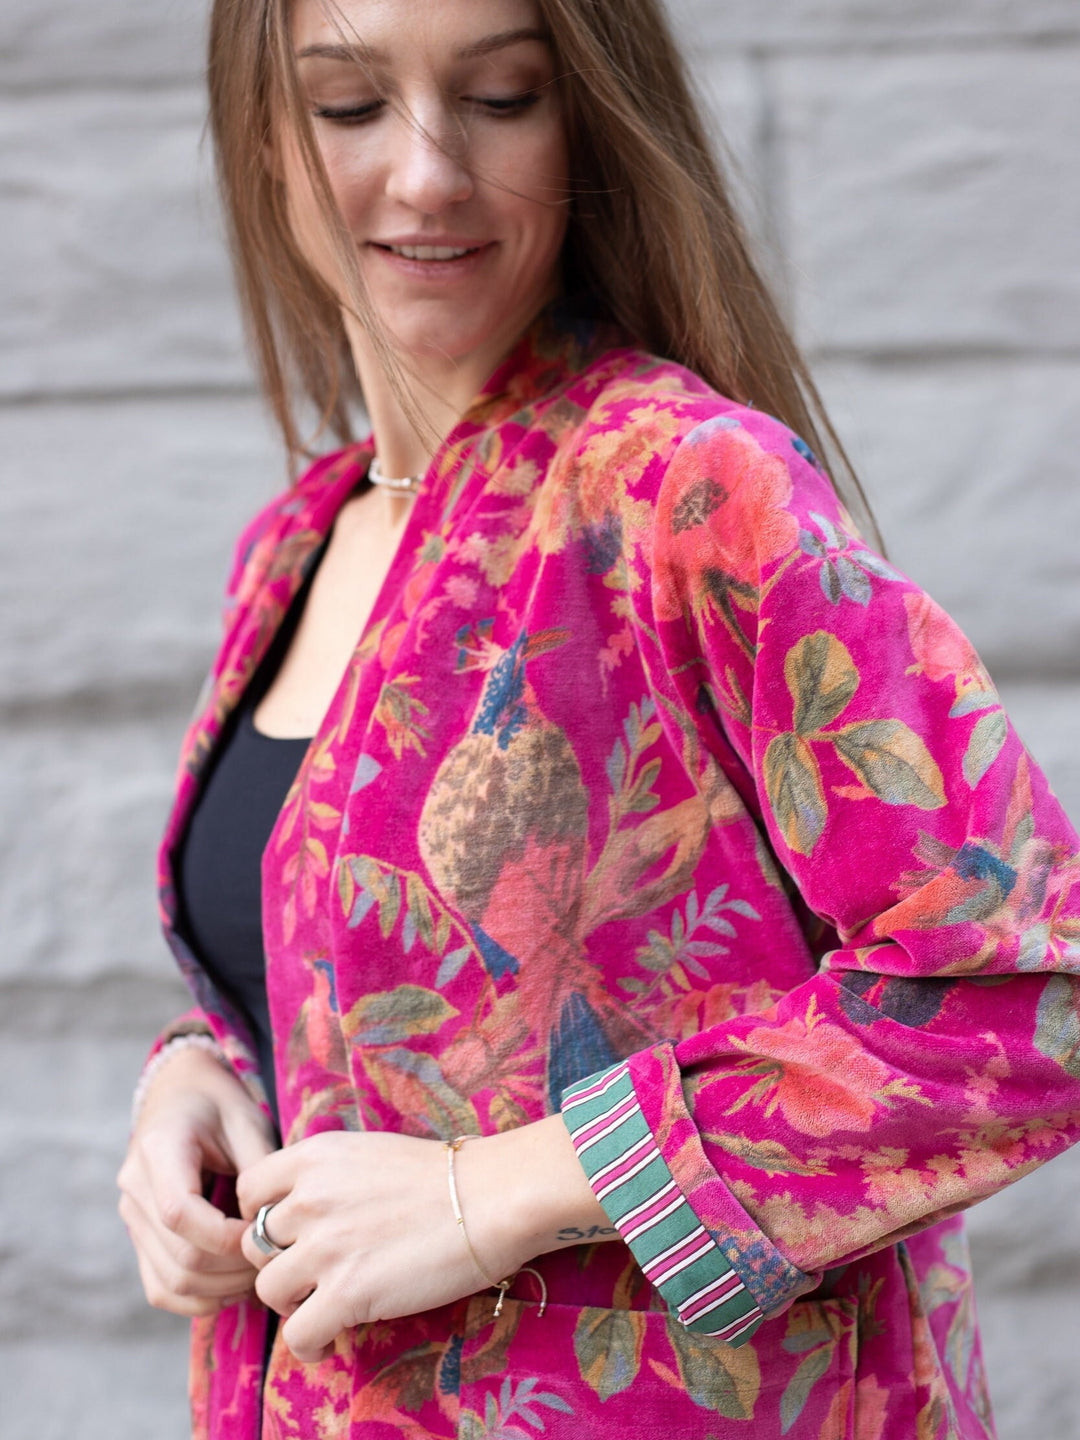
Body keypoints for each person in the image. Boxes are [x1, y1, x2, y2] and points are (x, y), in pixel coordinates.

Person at [115, 0, 1080, 1436]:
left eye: (501, 99)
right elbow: (376, 984)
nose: (430, 174)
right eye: (349, 106)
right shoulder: (295, 546)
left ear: (592, 129)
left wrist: (503, 1191)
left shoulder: (686, 491)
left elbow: (1019, 993)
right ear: (266, 142)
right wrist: (198, 1078)